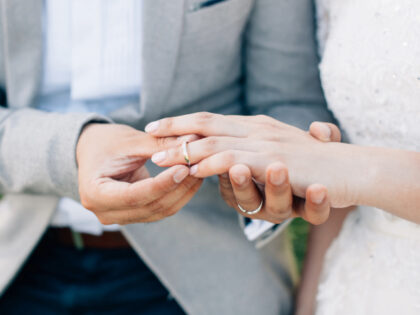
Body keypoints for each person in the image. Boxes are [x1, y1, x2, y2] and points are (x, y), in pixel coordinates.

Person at [0, 0, 337, 314]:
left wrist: (261, 170)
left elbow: (290, 99)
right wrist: (71, 149)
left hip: (209, 278)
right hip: (21, 260)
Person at [145, 0, 420, 314]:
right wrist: (309, 304)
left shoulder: (343, 166)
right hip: (360, 282)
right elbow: (340, 188)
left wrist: (347, 166)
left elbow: (339, 169)